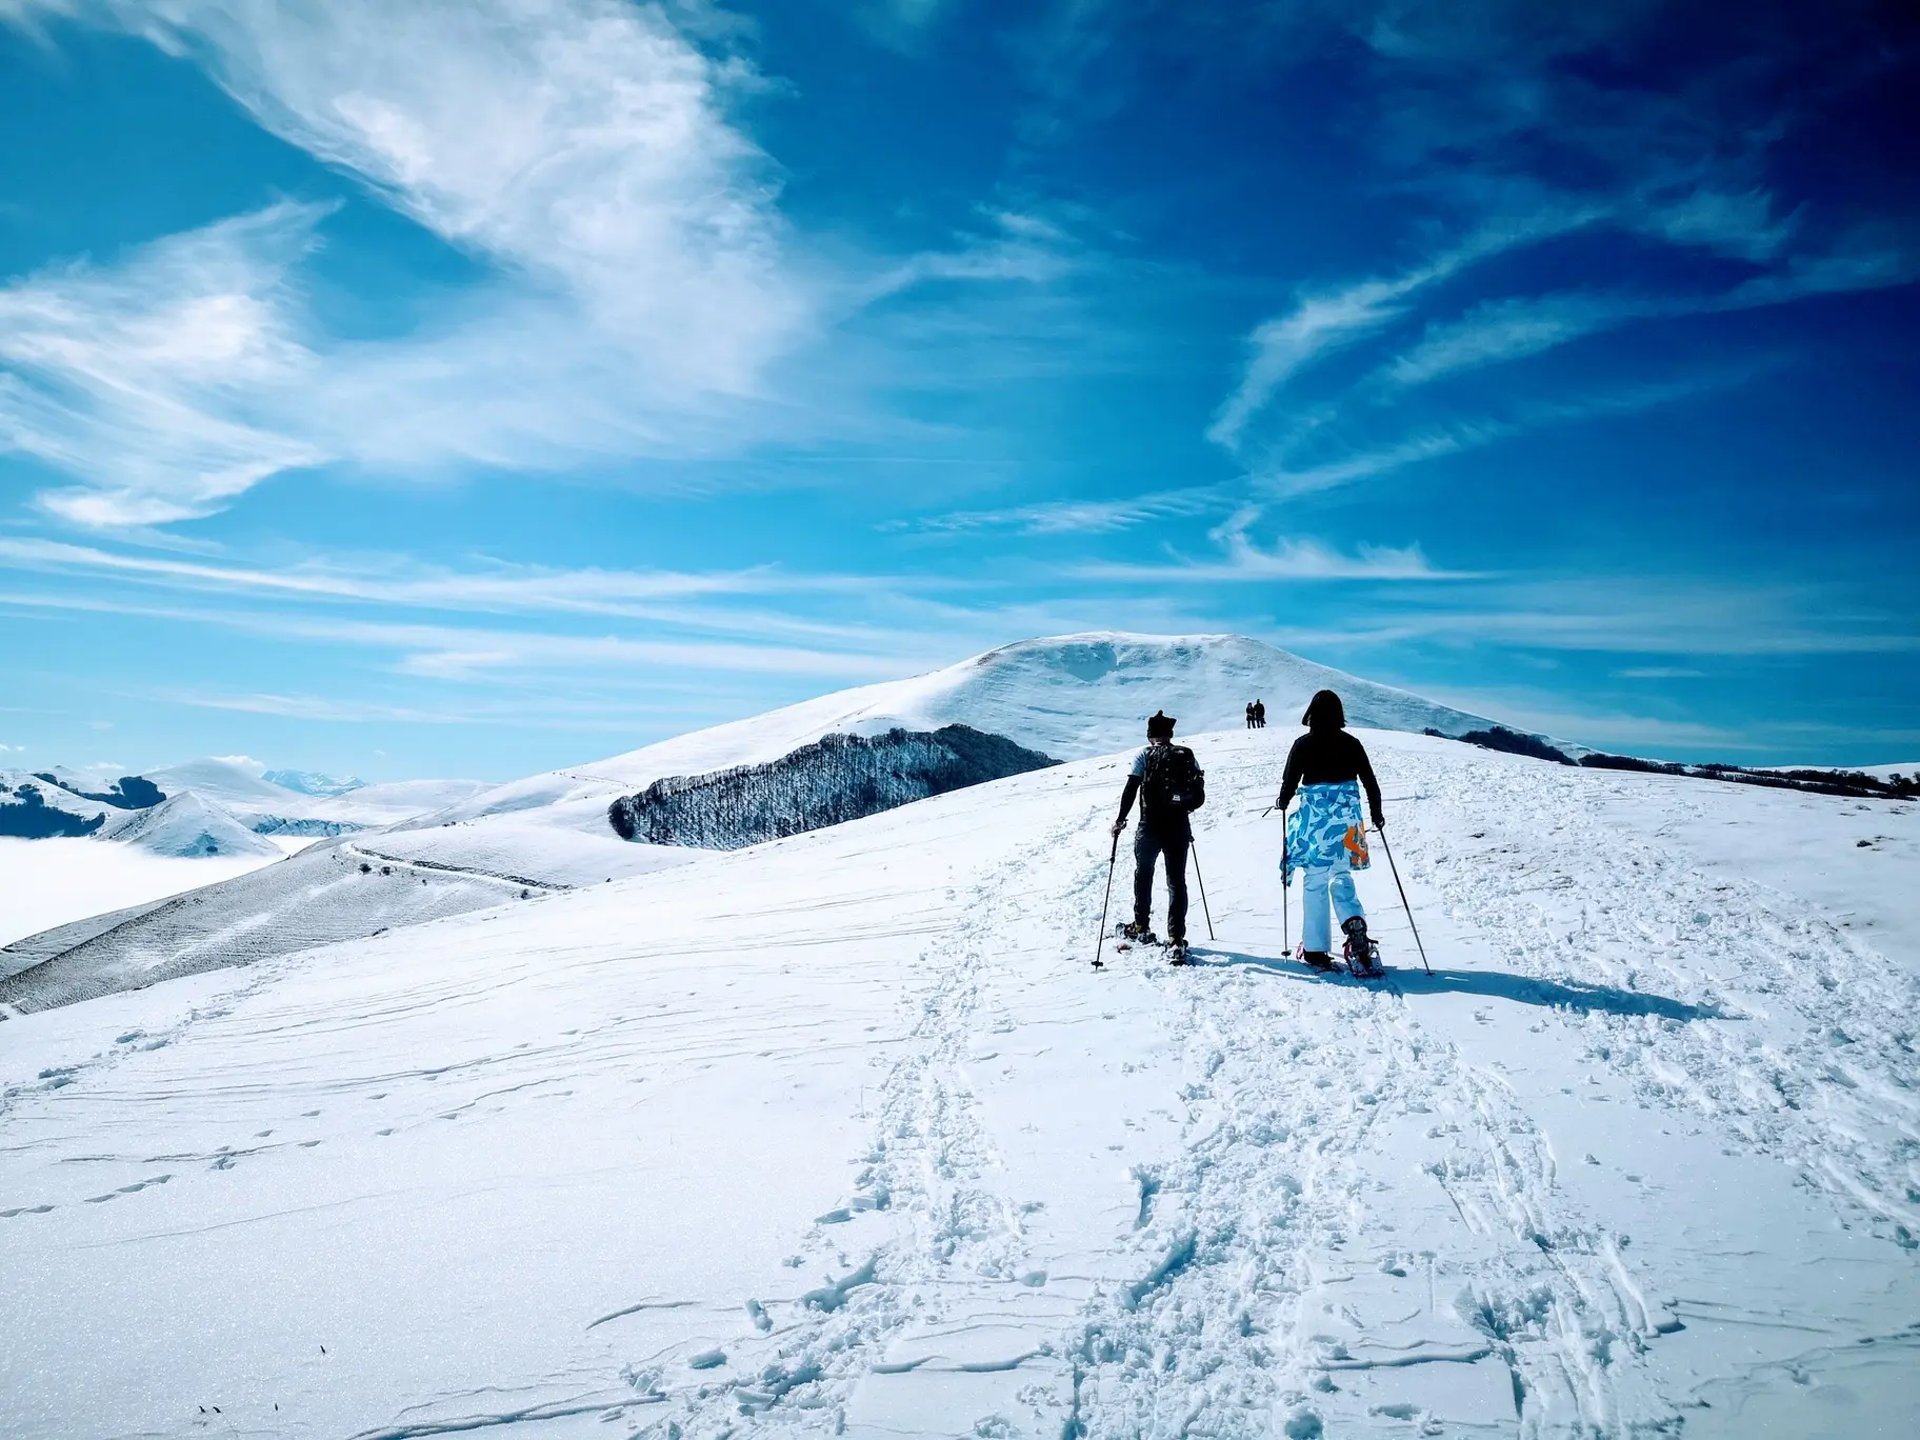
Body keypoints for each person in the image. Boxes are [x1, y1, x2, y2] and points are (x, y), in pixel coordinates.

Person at [1276, 689, 1383, 971]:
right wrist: (1377, 814)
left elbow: (1289, 782)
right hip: (1348, 822)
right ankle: (1354, 924)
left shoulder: (1303, 744)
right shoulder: (1352, 743)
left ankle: (1315, 949)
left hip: (1317, 823)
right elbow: (1370, 781)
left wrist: (1283, 801)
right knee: (1341, 873)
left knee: (1315, 880)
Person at [1110, 710, 1206, 960]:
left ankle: (1140, 925)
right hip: (1178, 826)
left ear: (1150, 735)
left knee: (1144, 873)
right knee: (1176, 880)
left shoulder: (1144, 755)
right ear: (1170, 734)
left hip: (1149, 825)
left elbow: (1131, 787)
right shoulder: (1186, 755)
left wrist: (1120, 820)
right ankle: (1175, 937)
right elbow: (1197, 792)